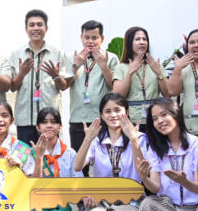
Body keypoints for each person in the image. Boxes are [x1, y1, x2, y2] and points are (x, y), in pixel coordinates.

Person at [74, 93, 147, 211]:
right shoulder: (96, 141)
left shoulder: (141, 138)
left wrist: (133, 139)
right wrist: (87, 139)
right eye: (107, 111)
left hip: (132, 200)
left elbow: (144, 170)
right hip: (102, 200)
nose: (113, 115)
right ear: (101, 115)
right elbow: (78, 166)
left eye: (117, 110)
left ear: (126, 112)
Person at [21, 107, 81, 211]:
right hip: (35, 210)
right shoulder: (29, 152)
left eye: (53, 122)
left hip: (59, 208)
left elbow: (78, 184)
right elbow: (32, 187)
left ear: (60, 127)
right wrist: (39, 158)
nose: (49, 125)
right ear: (38, 127)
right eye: (44, 122)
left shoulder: (70, 153)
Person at [9, 10, 70, 144]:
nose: (35, 28)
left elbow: (63, 86)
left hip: (49, 121)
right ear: (26, 29)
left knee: (50, 159)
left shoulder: (58, 53)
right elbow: (13, 87)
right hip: (25, 119)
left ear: (46, 28)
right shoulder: (16, 54)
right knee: (25, 160)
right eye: (32, 25)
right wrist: (21, 74)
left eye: (39, 25)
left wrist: (55, 76)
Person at [66, 20, 119, 153]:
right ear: (81, 38)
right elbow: (64, 85)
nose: (90, 41)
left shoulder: (111, 58)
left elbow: (113, 86)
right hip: (78, 118)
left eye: (95, 38)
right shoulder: (72, 57)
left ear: (102, 38)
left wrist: (103, 65)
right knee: (79, 160)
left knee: (104, 160)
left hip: (102, 119)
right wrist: (76, 65)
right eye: (87, 37)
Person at [112, 26, 168, 125]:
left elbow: (167, 94)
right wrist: (130, 72)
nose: (142, 42)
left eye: (144, 39)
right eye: (137, 39)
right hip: (131, 121)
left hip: (155, 120)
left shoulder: (155, 65)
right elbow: (118, 96)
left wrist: (159, 73)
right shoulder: (121, 68)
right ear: (129, 43)